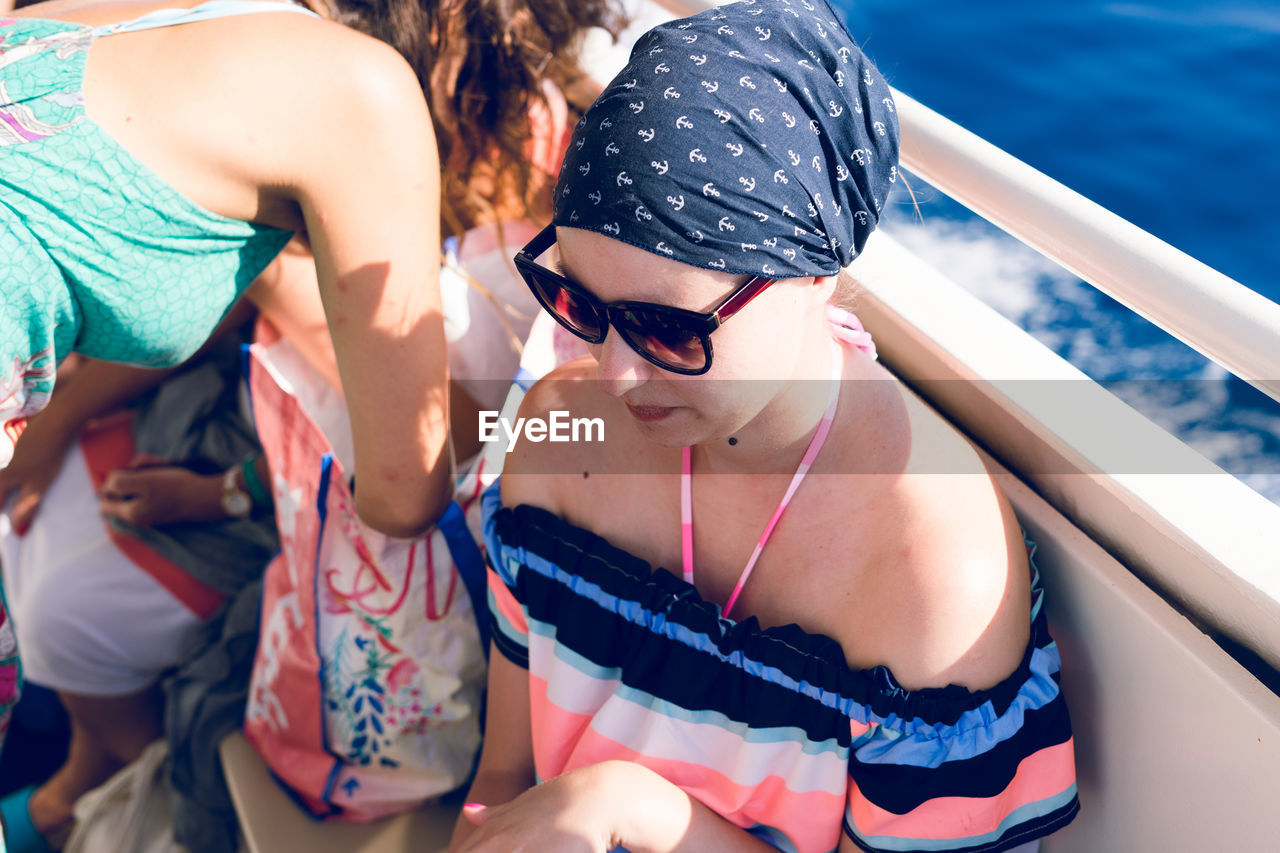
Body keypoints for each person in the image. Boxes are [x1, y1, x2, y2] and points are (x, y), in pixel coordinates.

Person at [450, 2, 1080, 853]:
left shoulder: (935, 574)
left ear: (817, 271)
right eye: (581, 306)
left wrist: (636, 809)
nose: (613, 374)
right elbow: (501, 783)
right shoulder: (559, 441)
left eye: (668, 327)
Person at [0, 0, 624, 847]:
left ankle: (64, 795)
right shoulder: (357, 93)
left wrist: (66, 414)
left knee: (64, 604)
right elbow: (410, 489)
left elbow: (136, 240)